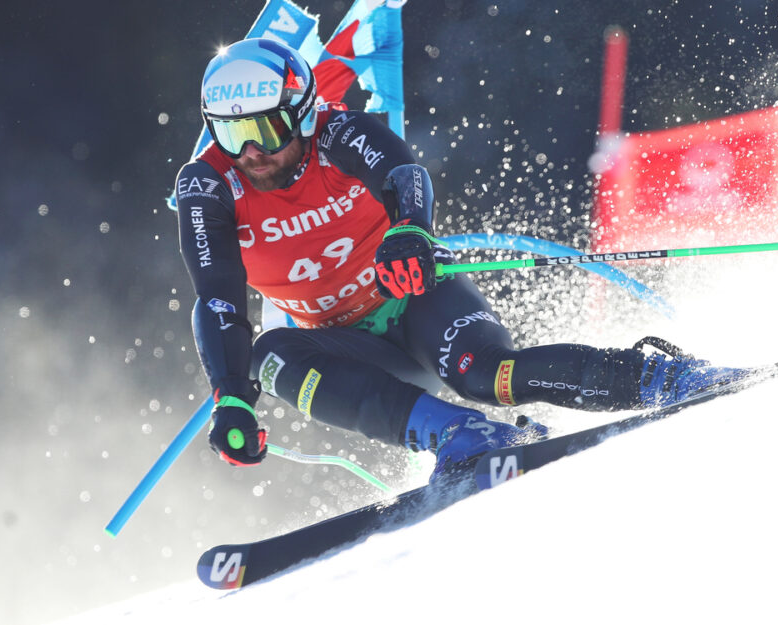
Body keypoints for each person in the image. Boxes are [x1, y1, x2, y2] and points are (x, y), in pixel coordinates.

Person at [174, 38, 748, 478]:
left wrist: (409, 233)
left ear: (298, 113)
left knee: (488, 377)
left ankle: (659, 377)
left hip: (414, 294)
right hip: (348, 343)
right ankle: (460, 437)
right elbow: (218, 297)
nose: (251, 151)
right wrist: (229, 396)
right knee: (267, 358)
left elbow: (402, 173)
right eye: (231, 134)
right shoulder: (209, 187)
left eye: (266, 130)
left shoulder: (334, 131)